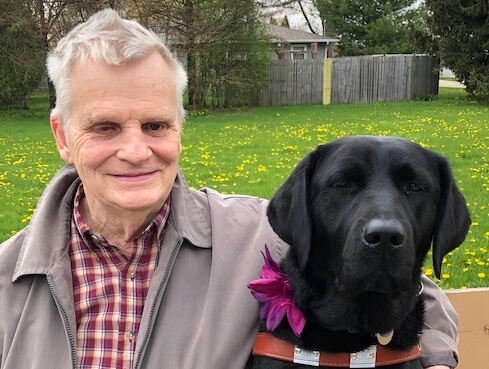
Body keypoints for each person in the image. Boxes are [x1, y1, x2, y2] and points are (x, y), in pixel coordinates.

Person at [0, 9, 457, 369]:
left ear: (180, 127)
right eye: (105, 127)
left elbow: (400, 277)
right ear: (61, 135)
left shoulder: (253, 232)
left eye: (156, 124)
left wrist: (434, 356)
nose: (136, 150)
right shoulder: (6, 282)